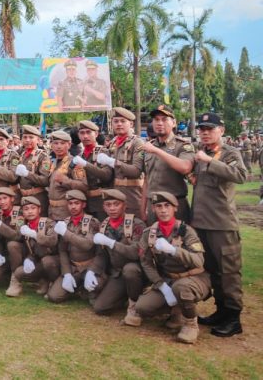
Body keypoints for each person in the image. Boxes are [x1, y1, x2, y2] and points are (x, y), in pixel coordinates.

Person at [191, 112, 247, 337]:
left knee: (229, 272)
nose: (204, 133)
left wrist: (210, 162)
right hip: (202, 222)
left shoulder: (229, 153)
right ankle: (221, 311)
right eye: (202, 129)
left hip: (222, 224)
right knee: (213, 270)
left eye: (209, 129)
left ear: (221, 130)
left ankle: (234, 318)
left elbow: (240, 175)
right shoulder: (201, 153)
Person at [134, 191, 210, 344]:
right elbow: (146, 262)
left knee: (182, 288)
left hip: (194, 277)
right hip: (169, 279)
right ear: (153, 209)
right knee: (142, 307)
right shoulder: (150, 233)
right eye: (158, 206)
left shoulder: (187, 231)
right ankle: (177, 310)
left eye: (167, 206)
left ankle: (191, 324)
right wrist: (161, 285)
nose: (163, 210)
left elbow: (198, 260)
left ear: (175, 208)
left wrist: (174, 250)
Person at [87, 189, 146, 324]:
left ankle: (134, 305)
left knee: (130, 270)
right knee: (100, 307)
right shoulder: (104, 226)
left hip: (138, 273)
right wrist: (92, 271)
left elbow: (136, 253)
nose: (112, 208)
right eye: (108, 205)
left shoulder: (136, 225)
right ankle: (123, 295)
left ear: (124, 206)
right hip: (118, 273)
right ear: (104, 207)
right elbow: (101, 255)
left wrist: (112, 243)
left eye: (116, 204)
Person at [141, 105, 194, 222]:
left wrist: (157, 151)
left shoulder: (182, 145)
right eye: (156, 120)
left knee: (177, 239)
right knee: (152, 239)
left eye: (164, 119)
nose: (159, 123)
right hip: (153, 206)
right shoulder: (149, 146)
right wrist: (143, 208)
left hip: (174, 206)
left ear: (174, 123)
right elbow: (146, 180)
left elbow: (185, 167)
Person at [47, 190, 100, 303]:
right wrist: (66, 273)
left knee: (95, 300)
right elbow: (63, 251)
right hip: (73, 268)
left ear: (83, 205)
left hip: (89, 267)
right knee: (54, 296)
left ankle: (86, 289)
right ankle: (76, 287)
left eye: (76, 203)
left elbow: (87, 245)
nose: (73, 207)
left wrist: (65, 233)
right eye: (70, 204)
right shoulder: (65, 223)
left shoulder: (93, 222)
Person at [4, 196, 59, 297]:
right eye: (26, 209)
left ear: (39, 209)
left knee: (47, 261)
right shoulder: (23, 224)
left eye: (33, 208)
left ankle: (52, 283)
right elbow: (18, 239)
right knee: (18, 267)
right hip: (36, 259)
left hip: (52, 260)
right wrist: (29, 259)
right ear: (23, 212)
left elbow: (53, 241)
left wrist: (35, 234)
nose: (30, 211)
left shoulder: (48, 223)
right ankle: (17, 281)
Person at [95, 107, 145, 217]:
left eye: (123, 121)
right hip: (115, 198)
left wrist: (112, 162)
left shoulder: (137, 143)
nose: (119, 124)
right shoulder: (113, 143)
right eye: (116, 121)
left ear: (131, 124)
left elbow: (136, 171)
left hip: (132, 198)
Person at [72, 120, 113, 221]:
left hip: (101, 202)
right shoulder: (80, 156)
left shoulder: (103, 152)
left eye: (88, 132)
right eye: (82, 133)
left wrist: (85, 164)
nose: (85, 136)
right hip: (84, 202)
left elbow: (106, 175)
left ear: (96, 134)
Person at [8, 124, 51, 213]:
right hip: (23, 198)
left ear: (38, 140)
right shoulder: (21, 155)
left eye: (31, 137)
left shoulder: (42, 156)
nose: (27, 140)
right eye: (25, 137)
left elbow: (45, 181)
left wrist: (27, 174)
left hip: (37, 197)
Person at [47, 130, 88, 221]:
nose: (59, 146)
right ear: (51, 145)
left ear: (69, 145)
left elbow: (84, 186)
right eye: (56, 143)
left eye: (62, 143)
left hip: (66, 211)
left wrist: (65, 181)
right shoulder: (53, 162)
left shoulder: (74, 163)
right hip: (51, 211)